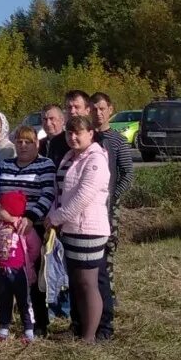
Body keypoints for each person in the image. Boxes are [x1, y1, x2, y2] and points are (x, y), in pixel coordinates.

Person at [47, 115, 112, 344]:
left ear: (90, 134)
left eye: (78, 133)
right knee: (77, 282)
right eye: (69, 133)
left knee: (88, 283)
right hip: (71, 228)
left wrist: (56, 218)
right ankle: (81, 329)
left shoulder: (96, 159)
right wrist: (55, 215)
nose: (73, 137)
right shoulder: (70, 156)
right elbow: (60, 191)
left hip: (89, 229)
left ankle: (89, 337)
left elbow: (83, 197)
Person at [0, 125, 56, 335]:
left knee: (32, 277)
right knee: (6, 277)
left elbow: (48, 194)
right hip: (5, 230)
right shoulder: (4, 165)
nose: (23, 146)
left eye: (28, 142)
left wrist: (30, 217)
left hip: (32, 228)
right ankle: (5, 321)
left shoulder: (45, 164)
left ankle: (39, 323)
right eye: (19, 141)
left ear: (36, 144)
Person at [90, 91, 135, 340]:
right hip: (87, 211)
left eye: (102, 109)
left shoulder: (117, 140)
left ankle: (109, 299)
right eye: (94, 109)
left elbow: (128, 173)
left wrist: (112, 197)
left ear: (110, 110)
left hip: (108, 208)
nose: (98, 113)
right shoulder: (86, 137)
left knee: (106, 254)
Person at [0, 191, 40, 342]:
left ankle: (28, 329)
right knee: (4, 300)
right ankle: (4, 328)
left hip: (19, 272)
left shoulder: (23, 229)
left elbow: (35, 247)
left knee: (24, 301)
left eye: (1, 208)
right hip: (1, 270)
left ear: (10, 212)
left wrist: (28, 261)